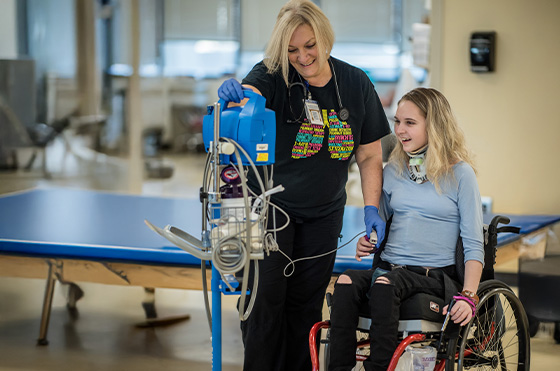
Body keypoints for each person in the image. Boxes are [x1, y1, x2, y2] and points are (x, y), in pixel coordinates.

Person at [216, 1, 391, 369]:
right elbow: (253, 93)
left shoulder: (355, 83)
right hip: (270, 213)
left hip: (324, 215)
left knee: (306, 308)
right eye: (292, 50)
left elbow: (370, 155)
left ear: (325, 39)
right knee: (265, 304)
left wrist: (372, 206)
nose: (303, 56)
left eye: (310, 46)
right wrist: (239, 96)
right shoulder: (273, 74)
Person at [328, 87, 484, 371]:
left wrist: (470, 295)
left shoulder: (461, 175)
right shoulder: (394, 170)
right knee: (346, 281)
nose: (399, 130)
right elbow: (381, 228)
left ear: (434, 126)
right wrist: (370, 241)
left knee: (387, 284)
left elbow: (474, 244)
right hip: (389, 269)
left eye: (410, 123)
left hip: (432, 276)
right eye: (397, 121)